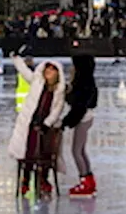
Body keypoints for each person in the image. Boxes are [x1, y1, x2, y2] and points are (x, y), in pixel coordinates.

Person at [9, 56, 66, 197]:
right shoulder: (37, 81)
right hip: (30, 123)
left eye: (52, 70)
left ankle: (43, 179)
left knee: (44, 151)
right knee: (28, 152)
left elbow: (57, 109)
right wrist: (16, 58)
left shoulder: (58, 90)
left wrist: (47, 123)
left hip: (46, 128)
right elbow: (24, 71)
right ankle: (26, 180)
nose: (49, 72)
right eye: (47, 69)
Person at [63, 54, 100, 197]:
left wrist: (67, 121)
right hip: (86, 116)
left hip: (83, 118)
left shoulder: (82, 82)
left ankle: (85, 180)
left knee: (76, 151)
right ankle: (89, 179)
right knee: (81, 150)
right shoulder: (87, 81)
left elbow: (79, 105)